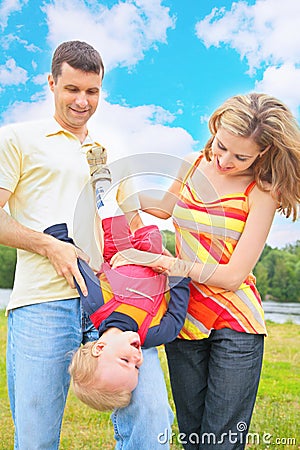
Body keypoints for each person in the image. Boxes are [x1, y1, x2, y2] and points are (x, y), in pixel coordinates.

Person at [0, 40, 173, 450]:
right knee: (38, 435)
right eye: (72, 89)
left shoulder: (110, 149)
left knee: (151, 418)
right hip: (43, 300)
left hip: (116, 299)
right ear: (51, 83)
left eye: (91, 91)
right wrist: (49, 246)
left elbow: (132, 215)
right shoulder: (17, 139)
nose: (82, 101)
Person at [110, 93, 300, 449]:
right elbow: (165, 208)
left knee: (221, 441)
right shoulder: (194, 162)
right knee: (192, 436)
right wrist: (122, 191)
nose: (224, 160)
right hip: (185, 318)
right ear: (215, 129)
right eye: (221, 146)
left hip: (235, 321)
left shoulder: (262, 190)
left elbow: (233, 276)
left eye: (240, 156)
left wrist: (165, 263)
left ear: (263, 152)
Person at [45, 204, 190, 411]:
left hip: (118, 247)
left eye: (125, 361)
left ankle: (114, 188)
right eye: (137, 367)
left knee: (115, 210)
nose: (137, 358)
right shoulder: (154, 333)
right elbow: (177, 313)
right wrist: (174, 270)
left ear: (100, 347)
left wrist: (56, 235)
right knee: (147, 235)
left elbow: (77, 266)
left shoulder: (97, 303)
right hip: (153, 252)